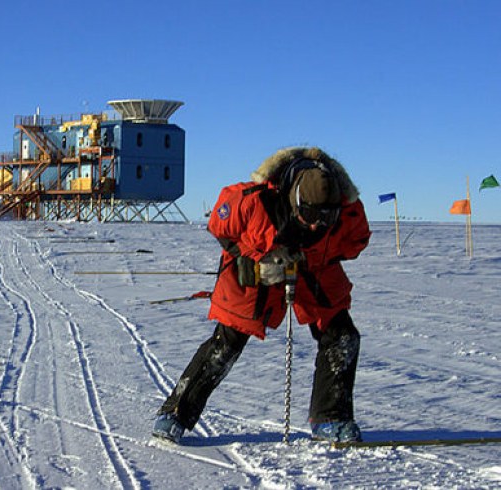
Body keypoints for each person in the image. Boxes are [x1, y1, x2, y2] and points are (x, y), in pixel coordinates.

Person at [152, 147, 371, 444]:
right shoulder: (250, 201)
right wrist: (258, 256)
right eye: (308, 213)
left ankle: (331, 418)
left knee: (343, 336)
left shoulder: (348, 211)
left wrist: (304, 259)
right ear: (293, 198)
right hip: (254, 269)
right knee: (227, 341)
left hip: (313, 270)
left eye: (326, 217)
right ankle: (175, 413)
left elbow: (355, 244)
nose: (315, 223)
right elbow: (220, 228)